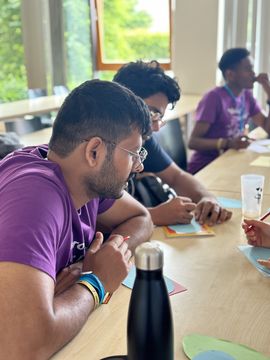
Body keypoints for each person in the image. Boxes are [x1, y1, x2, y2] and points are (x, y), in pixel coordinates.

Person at [0, 79, 153, 359]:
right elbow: (22, 346)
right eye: (133, 153)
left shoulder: (82, 178)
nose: (139, 166)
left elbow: (141, 218)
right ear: (94, 151)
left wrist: (99, 259)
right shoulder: (35, 197)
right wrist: (97, 282)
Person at [113, 60, 232, 226]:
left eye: (159, 117)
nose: (155, 127)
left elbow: (177, 176)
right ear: (125, 102)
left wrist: (207, 198)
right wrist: (154, 215)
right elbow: (95, 213)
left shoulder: (142, 139)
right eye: (151, 113)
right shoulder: (101, 146)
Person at [188, 47, 270, 174]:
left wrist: (268, 91)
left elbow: (267, 128)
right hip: (206, 167)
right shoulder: (213, 98)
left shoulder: (247, 96)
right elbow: (193, 142)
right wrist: (227, 143)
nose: (254, 74)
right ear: (230, 74)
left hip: (231, 161)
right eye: (248, 69)